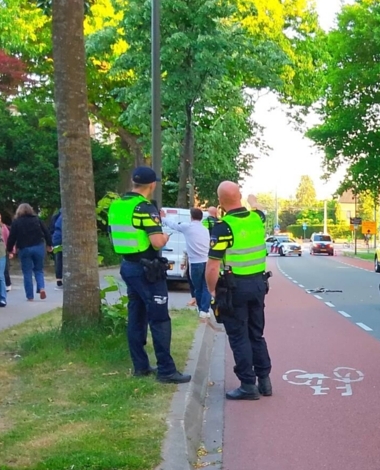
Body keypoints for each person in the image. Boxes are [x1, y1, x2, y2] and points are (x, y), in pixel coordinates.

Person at [108, 167, 191, 383]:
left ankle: (141, 366)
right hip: (148, 269)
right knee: (159, 318)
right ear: (152, 185)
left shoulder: (116, 205)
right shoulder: (144, 208)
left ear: (133, 182)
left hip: (128, 265)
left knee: (136, 317)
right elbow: (156, 241)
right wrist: (164, 236)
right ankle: (166, 371)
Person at [206, 181, 271, 400]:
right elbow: (259, 209)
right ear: (239, 196)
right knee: (256, 333)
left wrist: (212, 291)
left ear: (221, 201)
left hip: (234, 288)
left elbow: (213, 265)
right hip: (259, 286)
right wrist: (252, 201)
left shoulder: (223, 227)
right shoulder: (257, 219)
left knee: (238, 336)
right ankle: (264, 381)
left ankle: (247, 385)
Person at [163, 207, 212, 318]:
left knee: (197, 287)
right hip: (206, 260)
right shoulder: (205, 229)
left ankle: (201, 310)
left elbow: (173, 225)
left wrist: (163, 218)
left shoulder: (188, 227)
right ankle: (205, 310)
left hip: (195, 262)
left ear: (191, 217)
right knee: (206, 287)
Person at [6, 203, 51, 301]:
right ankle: (41, 287)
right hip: (38, 246)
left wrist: (10, 249)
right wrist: (49, 244)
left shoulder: (16, 222)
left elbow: (12, 237)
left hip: (24, 248)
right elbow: (46, 232)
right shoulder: (37, 220)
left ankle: (30, 296)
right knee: (39, 270)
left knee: (27, 272)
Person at [0, 212, 12, 292]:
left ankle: (8, 283)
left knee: (5, 268)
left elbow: (9, 239)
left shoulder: (4, 228)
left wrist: (11, 251)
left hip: (4, 250)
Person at [51, 209, 63, 287]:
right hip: (62, 237)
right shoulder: (65, 217)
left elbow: (51, 229)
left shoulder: (56, 216)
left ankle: (58, 279)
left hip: (56, 238)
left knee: (58, 259)